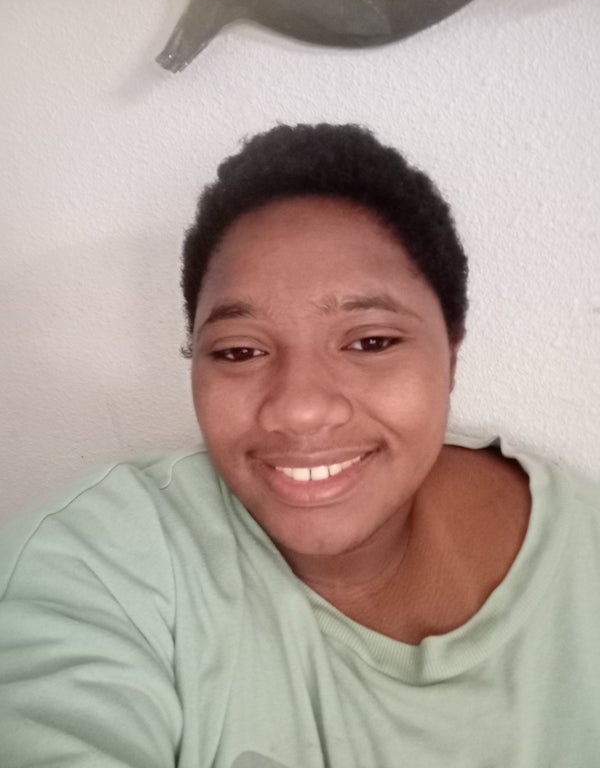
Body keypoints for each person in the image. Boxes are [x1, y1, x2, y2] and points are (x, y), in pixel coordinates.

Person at [0, 123, 598, 767]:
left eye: (370, 341)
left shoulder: (583, 556)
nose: (299, 409)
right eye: (240, 351)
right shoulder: (96, 562)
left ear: (450, 353)